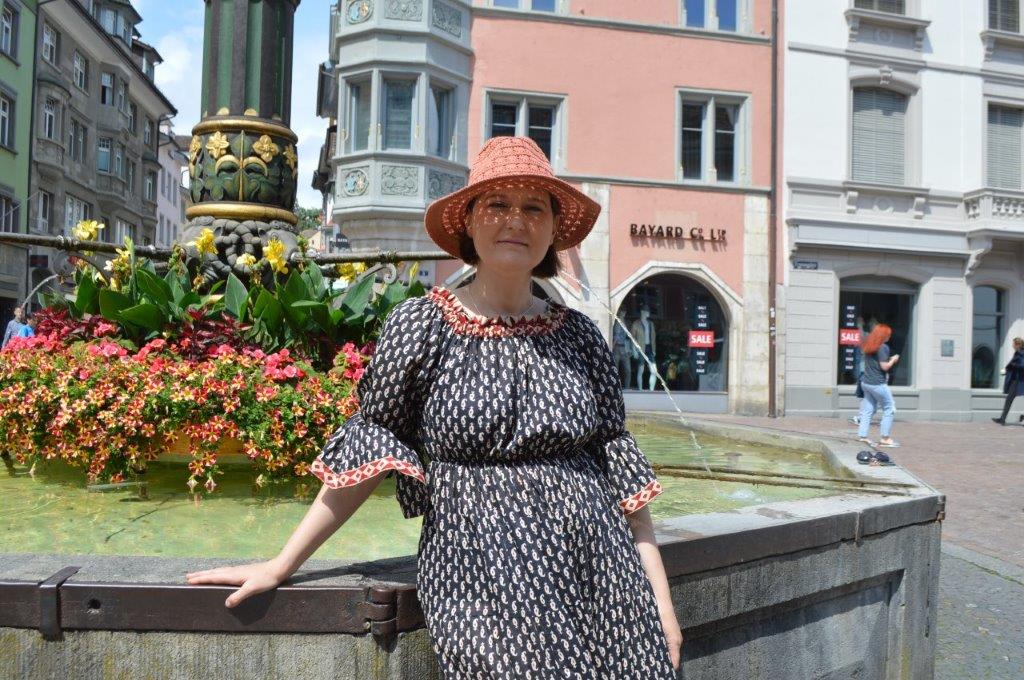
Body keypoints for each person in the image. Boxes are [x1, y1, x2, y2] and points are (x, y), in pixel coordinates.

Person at [186, 137, 682, 676]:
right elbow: (369, 447)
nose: (515, 219)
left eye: (533, 206)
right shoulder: (421, 327)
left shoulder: (582, 336)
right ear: (468, 221)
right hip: (482, 567)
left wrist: (658, 597)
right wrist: (282, 564)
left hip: (600, 566)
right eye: (497, 204)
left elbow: (619, 469)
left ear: (550, 229)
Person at [857, 323, 900, 447]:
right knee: (889, 408)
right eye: (888, 334)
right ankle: (885, 438)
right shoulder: (883, 347)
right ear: (883, 336)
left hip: (866, 382)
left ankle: (863, 436)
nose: (889, 336)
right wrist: (893, 360)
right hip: (877, 383)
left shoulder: (869, 345)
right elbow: (884, 367)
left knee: (868, 410)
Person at [992, 337, 1024, 425]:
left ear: (1018, 345)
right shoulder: (1018, 353)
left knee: (1009, 399)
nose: (1012, 345)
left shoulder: (1021, 353)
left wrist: (1013, 365)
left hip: (1019, 381)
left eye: (1013, 344)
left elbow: (1022, 365)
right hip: (1016, 380)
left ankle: (1003, 419)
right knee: (1009, 399)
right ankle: (1002, 419)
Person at [630, 306, 658, 390]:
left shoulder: (651, 324)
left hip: (649, 348)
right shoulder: (636, 324)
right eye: (647, 311)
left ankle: (651, 390)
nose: (648, 313)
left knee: (654, 371)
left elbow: (653, 337)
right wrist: (634, 349)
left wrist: (654, 349)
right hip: (640, 348)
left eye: (648, 311)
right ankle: (640, 389)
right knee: (641, 369)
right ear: (642, 312)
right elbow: (632, 337)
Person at [612, 307, 633, 389]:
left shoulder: (626, 322)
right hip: (617, 348)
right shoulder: (617, 322)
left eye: (624, 311)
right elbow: (616, 337)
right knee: (617, 370)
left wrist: (630, 348)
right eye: (622, 312)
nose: (623, 313)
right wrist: (612, 348)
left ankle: (626, 387)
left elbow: (629, 337)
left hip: (625, 348)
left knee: (627, 370)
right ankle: (616, 387)